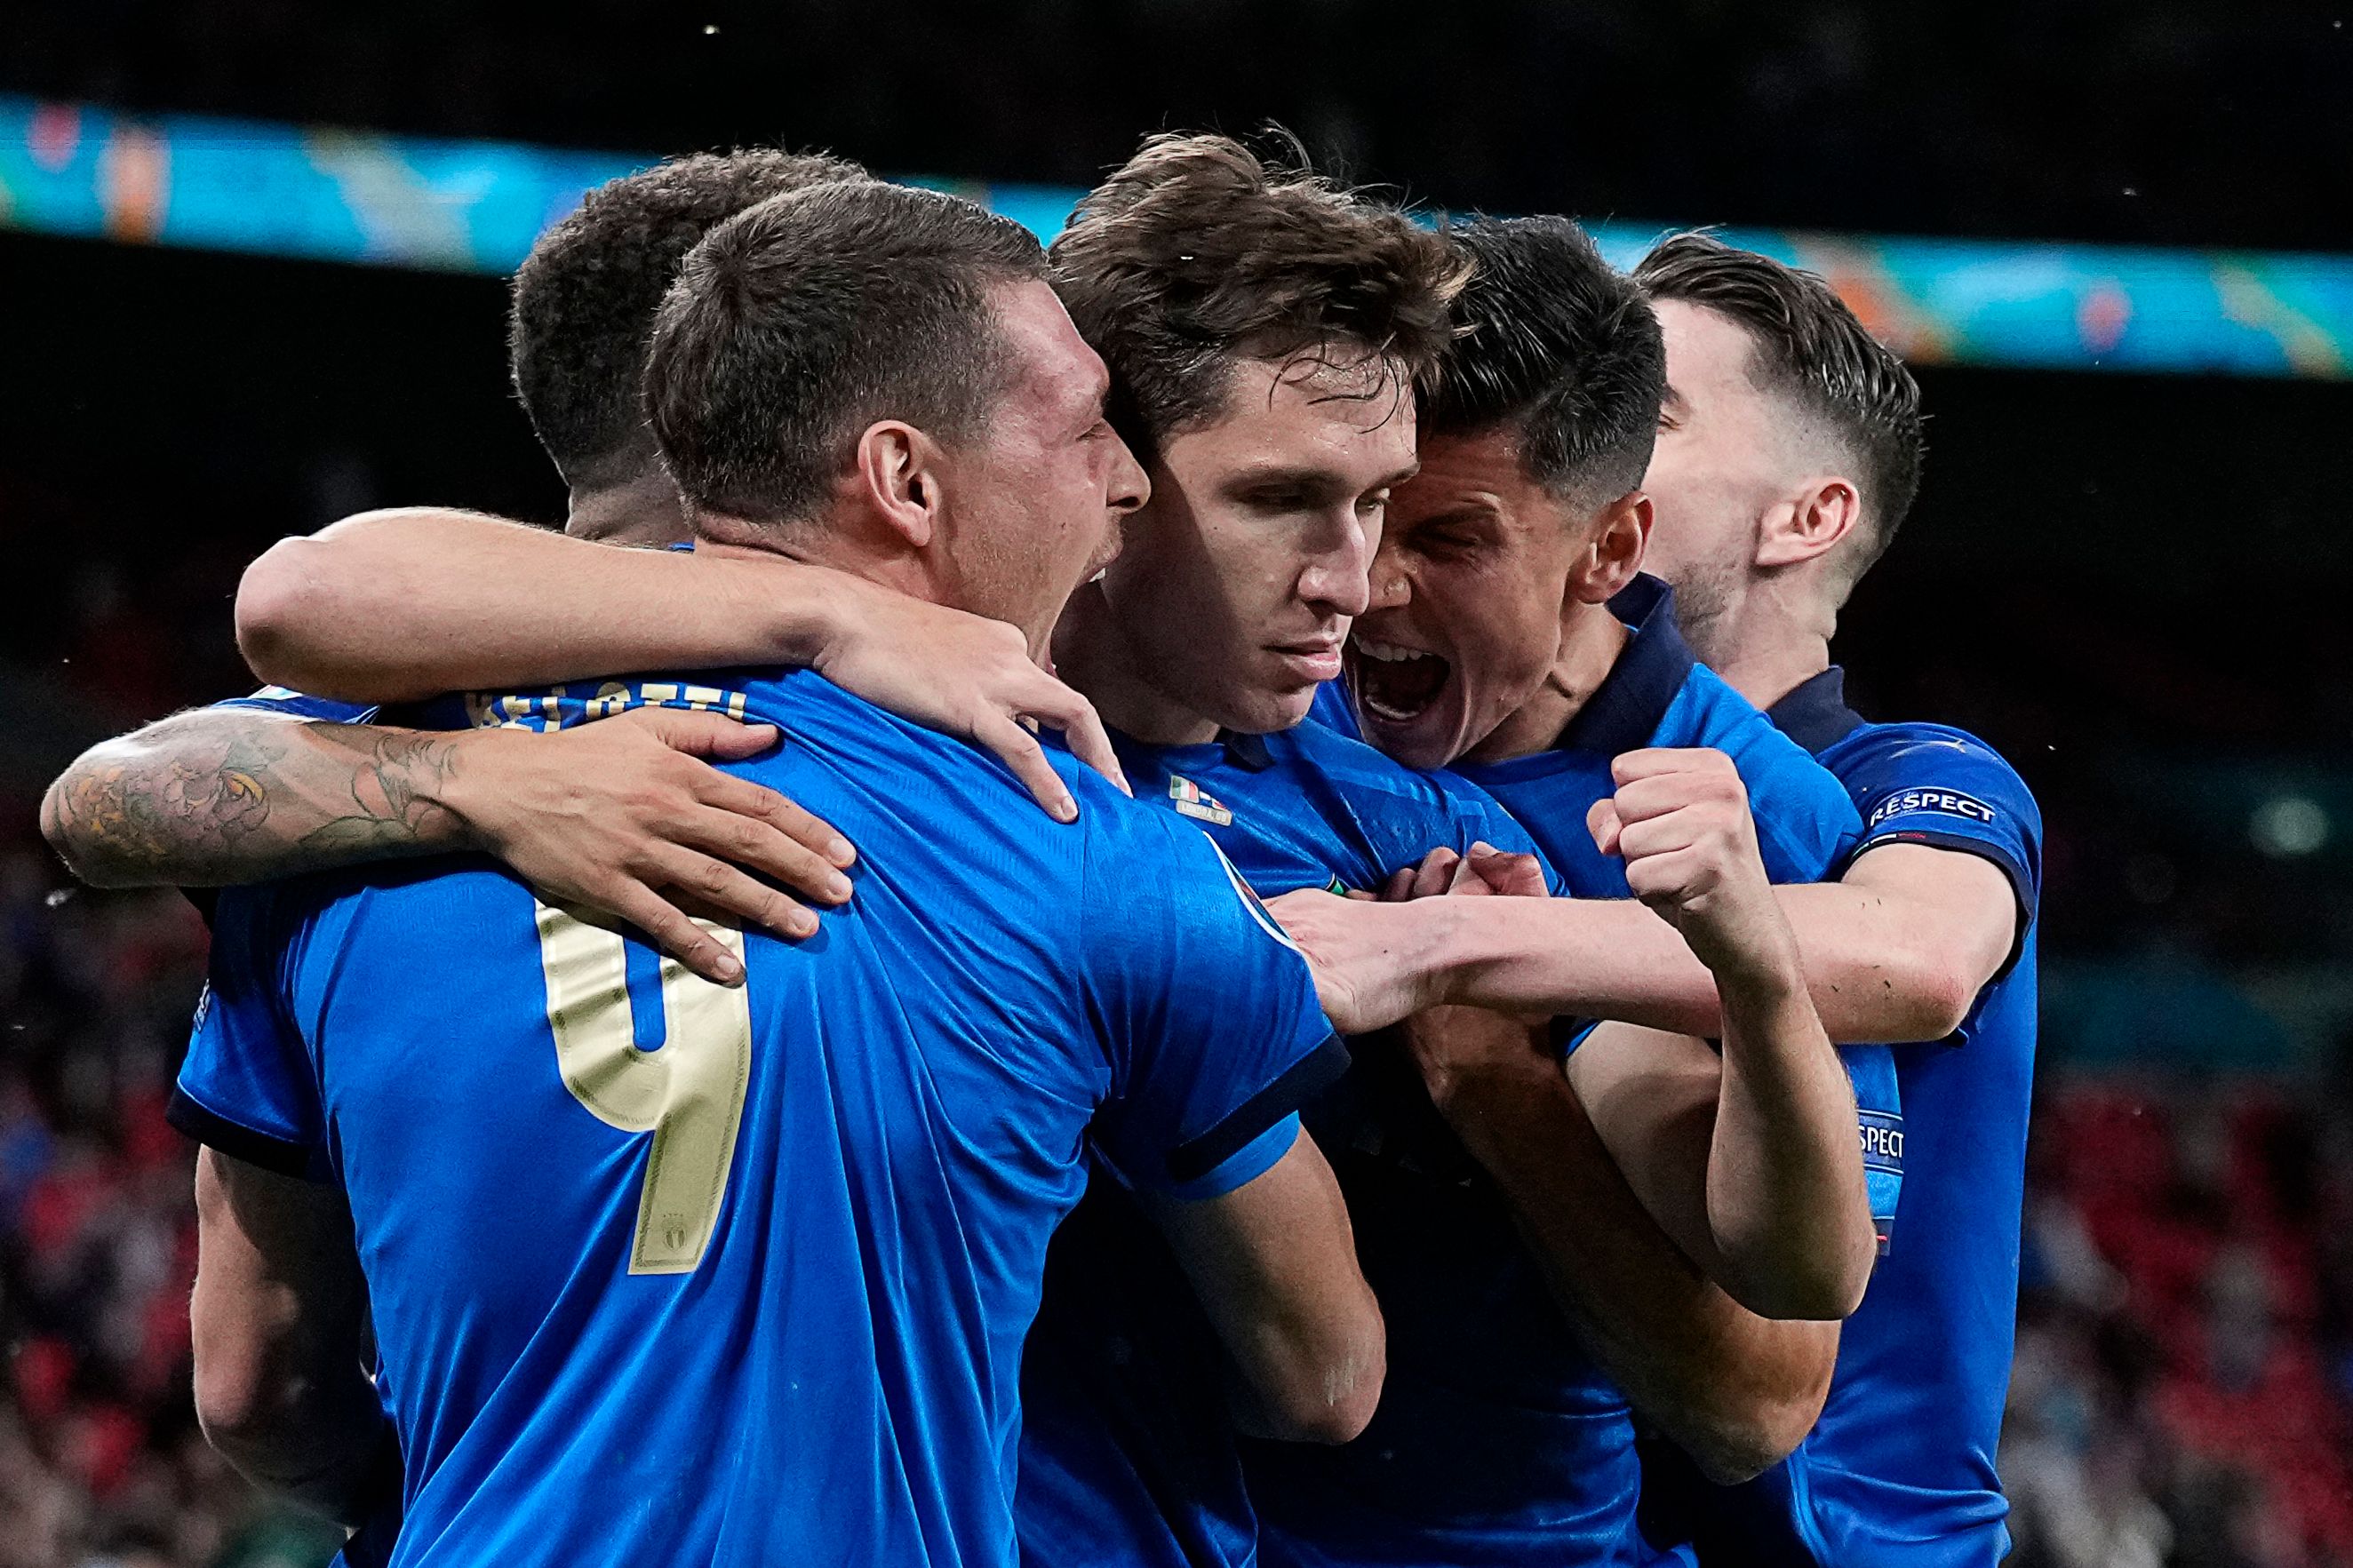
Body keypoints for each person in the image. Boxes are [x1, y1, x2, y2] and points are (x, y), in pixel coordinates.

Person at [198, 155, 1880, 1568]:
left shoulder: (1424, 840)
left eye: (1387, 512)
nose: (1354, 584)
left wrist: (1504, 1054)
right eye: (1286, 502)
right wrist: (489, 778)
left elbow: (1757, 1386)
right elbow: (254, 669)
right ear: (1112, 478)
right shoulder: (963, 802)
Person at [173, 180, 1381, 1568]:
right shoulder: (1097, 848)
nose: (1124, 475)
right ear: (905, 479)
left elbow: (255, 1383)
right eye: (1085, 425)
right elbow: (1325, 1376)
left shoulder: (333, 809)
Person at [41, 150, 1129, 983]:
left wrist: (460, 783)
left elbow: (99, 798)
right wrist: (824, 611)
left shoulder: (406, 718)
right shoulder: (935, 733)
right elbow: (263, 630)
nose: (1122, 485)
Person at [1236, 214, 1888, 1568]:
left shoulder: (1746, 820)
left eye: (1451, 536)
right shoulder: (1242, 678)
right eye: (1362, 509)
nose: (1368, 583)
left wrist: (1495, 1083)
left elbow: (1758, 1399)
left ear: (1607, 549)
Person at [1628, 231, 2039, 1568]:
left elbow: (1913, 957)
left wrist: (1443, 945)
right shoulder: (1508, 792)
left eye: (1650, 414)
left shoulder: (1914, 780)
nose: (1587, 444)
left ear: (1806, 517)